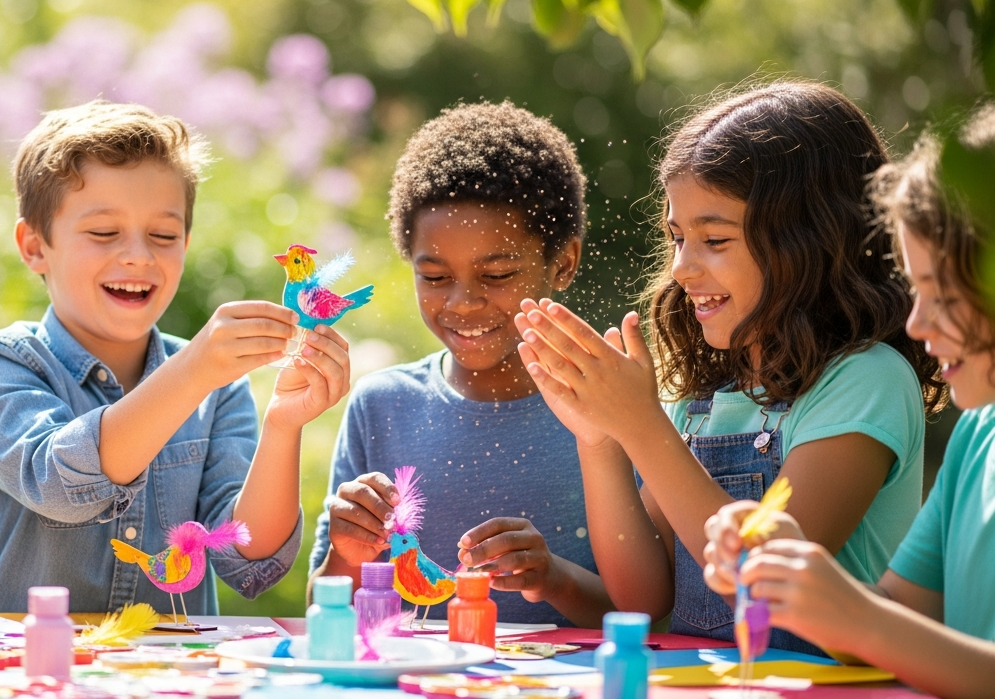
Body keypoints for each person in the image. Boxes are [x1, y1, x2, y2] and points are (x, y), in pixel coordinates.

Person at [514, 82, 942, 652]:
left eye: (714, 239)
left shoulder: (866, 380)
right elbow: (643, 599)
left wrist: (642, 425)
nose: (682, 267)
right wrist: (601, 439)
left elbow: (764, 583)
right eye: (676, 237)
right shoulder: (703, 398)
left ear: (810, 241)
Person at [0, 100, 352, 614]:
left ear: (186, 242)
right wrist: (193, 373)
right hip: (29, 660)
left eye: (163, 236)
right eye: (104, 233)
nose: (139, 256)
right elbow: (59, 487)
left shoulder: (218, 388)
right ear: (34, 246)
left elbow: (248, 559)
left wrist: (283, 425)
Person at [703, 109, 995, 697]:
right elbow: (903, 622)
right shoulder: (976, 438)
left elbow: (883, 628)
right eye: (916, 291)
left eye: (943, 295)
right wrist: (802, 581)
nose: (916, 324)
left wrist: (860, 618)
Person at [308, 102, 610, 626]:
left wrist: (554, 579)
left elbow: (649, 612)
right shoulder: (382, 406)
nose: (463, 303)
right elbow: (322, 607)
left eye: (497, 275)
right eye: (435, 277)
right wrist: (348, 554)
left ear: (563, 263)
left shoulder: (608, 411)